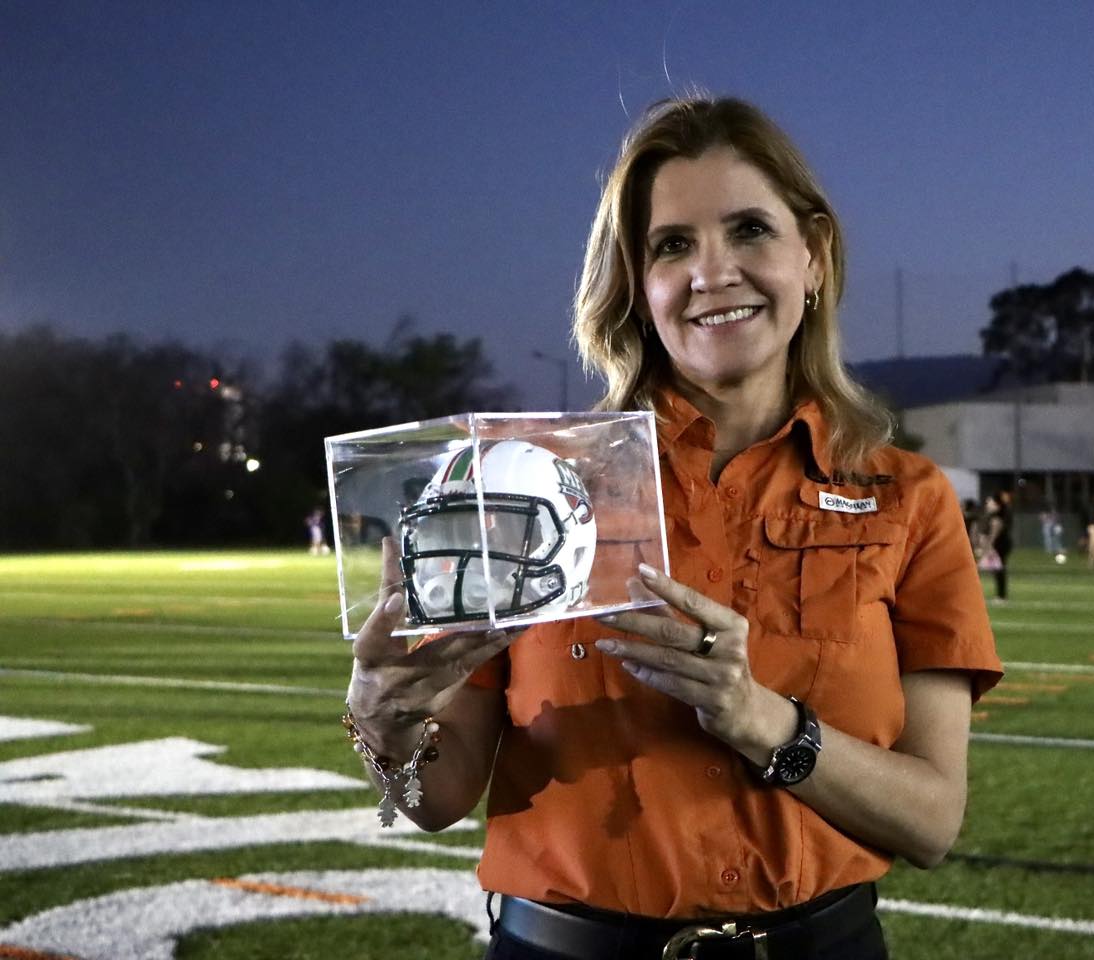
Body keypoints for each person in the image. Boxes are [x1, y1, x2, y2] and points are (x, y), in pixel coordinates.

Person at [342, 95, 1003, 960]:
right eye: (672, 245)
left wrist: (760, 718)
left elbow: (932, 821)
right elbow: (437, 798)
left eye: (750, 231)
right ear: (637, 285)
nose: (711, 272)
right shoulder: (521, 485)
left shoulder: (905, 498)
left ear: (814, 255)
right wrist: (384, 718)